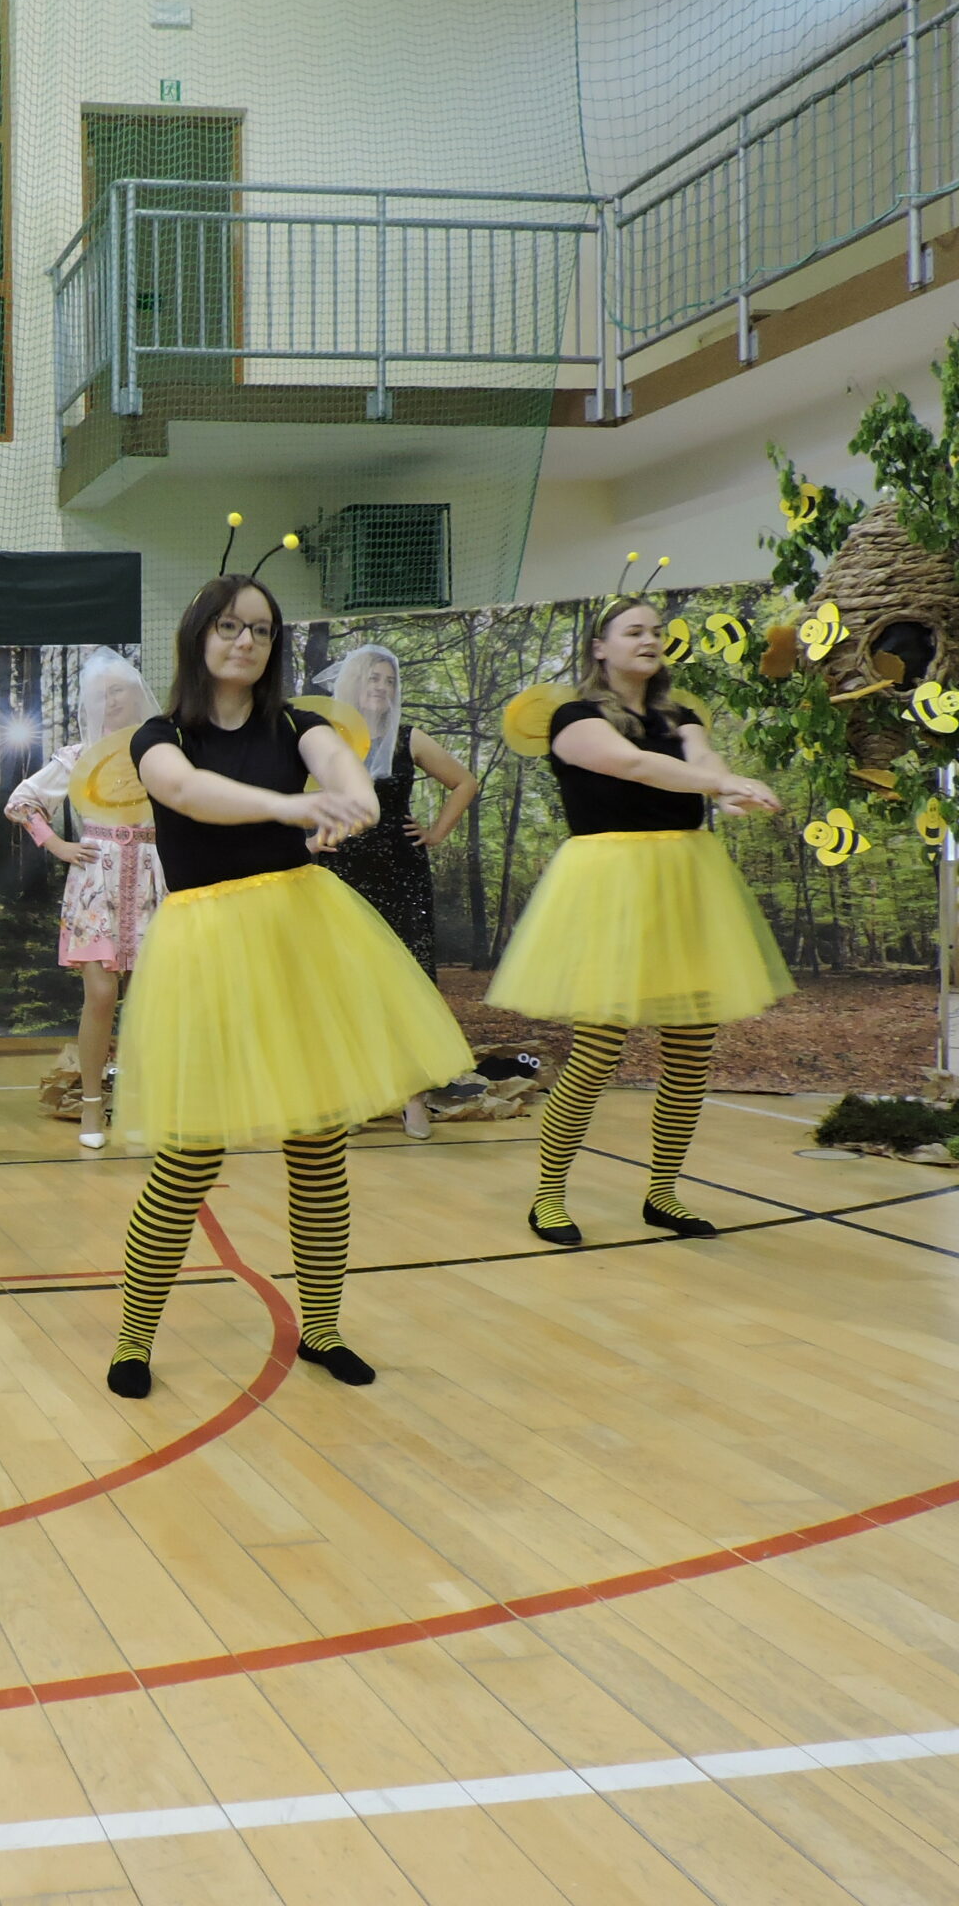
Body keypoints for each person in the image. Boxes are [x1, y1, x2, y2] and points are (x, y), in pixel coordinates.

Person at [108, 574, 472, 1395]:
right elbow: (184, 792)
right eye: (229, 626)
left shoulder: (300, 726)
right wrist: (291, 810)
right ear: (198, 636)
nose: (246, 641)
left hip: (300, 940)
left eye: (262, 630)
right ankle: (132, 1341)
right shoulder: (160, 736)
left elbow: (348, 776)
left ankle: (323, 1329)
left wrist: (351, 805)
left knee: (319, 1150)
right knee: (187, 1161)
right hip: (207, 952)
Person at [488, 596, 793, 1245]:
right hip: (612, 888)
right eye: (633, 631)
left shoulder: (679, 716)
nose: (649, 639)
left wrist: (729, 786)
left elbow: (701, 760)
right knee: (597, 1053)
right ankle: (548, 1198)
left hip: (687, 884)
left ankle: (663, 1194)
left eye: (656, 630)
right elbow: (631, 763)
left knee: (690, 1054)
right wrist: (719, 785)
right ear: (600, 647)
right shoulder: (574, 718)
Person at [4, 648, 165, 1149]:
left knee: (148, 1001)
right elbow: (21, 801)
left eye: (119, 690)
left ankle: (138, 1101)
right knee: (101, 994)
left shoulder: (160, 750)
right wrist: (55, 844)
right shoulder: (78, 757)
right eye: (101, 693)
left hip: (154, 878)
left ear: (136, 694)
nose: (111, 700)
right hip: (97, 881)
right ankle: (91, 1103)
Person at [320, 644, 478, 1138]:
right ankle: (354, 1096)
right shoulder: (326, 739)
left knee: (408, 984)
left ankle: (413, 1100)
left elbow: (465, 783)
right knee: (350, 984)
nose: (382, 687)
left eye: (389, 680)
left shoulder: (410, 738)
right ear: (352, 683)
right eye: (373, 678)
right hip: (342, 873)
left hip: (400, 872)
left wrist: (435, 833)